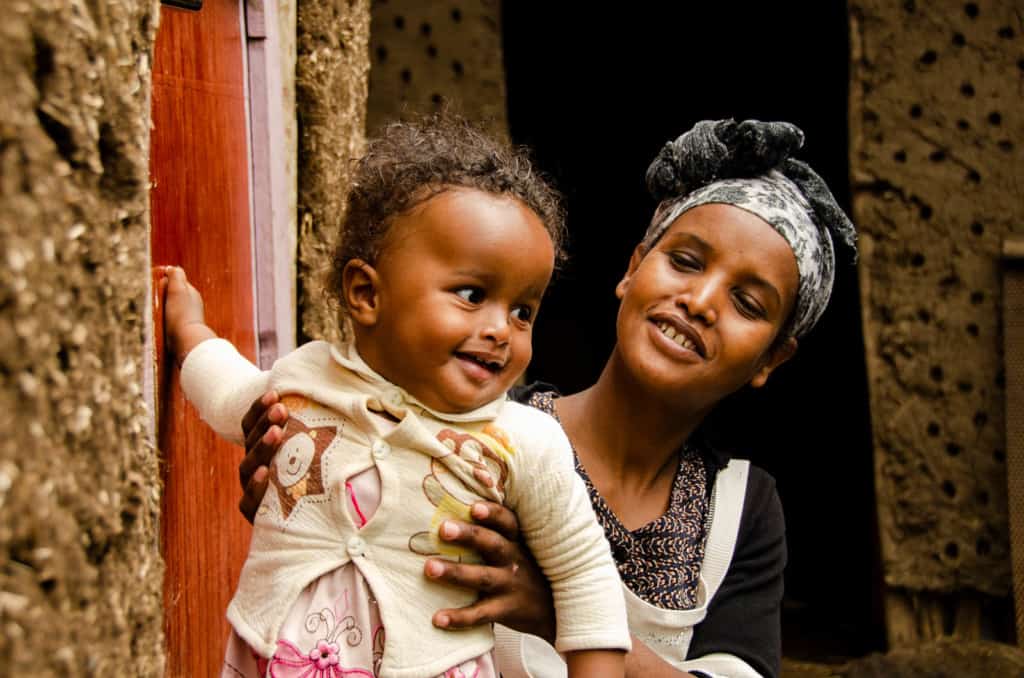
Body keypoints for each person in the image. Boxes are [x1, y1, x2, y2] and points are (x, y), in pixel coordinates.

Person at [239, 118, 857, 678]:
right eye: (685, 262)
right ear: (633, 268)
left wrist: (559, 613)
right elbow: (352, 495)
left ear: (772, 358)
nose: (701, 301)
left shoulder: (742, 509)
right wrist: (297, 485)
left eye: (749, 304)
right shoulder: (483, 429)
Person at [159, 115, 631, 678]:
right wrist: (190, 333)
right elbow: (228, 393)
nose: (502, 328)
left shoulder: (525, 440)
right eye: (472, 294)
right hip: (271, 653)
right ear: (366, 294)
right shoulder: (306, 380)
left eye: (523, 310)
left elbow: (584, 574)